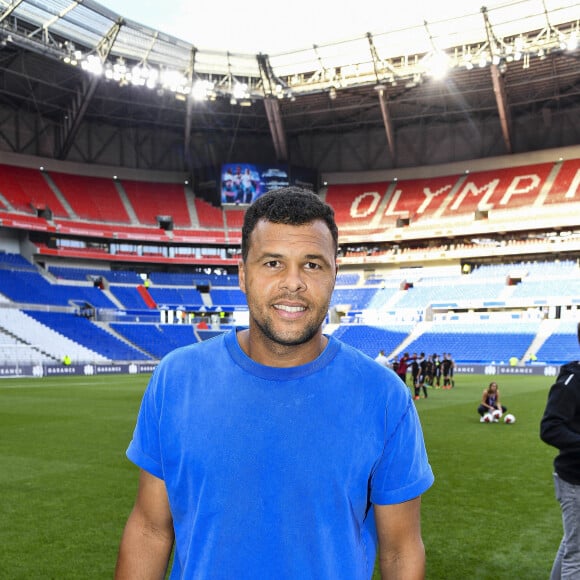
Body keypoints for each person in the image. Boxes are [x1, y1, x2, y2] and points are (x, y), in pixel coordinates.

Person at [115, 187, 434, 580]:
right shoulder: (176, 378)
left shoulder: (385, 397)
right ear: (243, 275)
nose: (293, 283)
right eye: (272, 263)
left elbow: (401, 551)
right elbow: (149, 528)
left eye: (313, 265)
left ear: (335, 275)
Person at [540, 322, 580, 579]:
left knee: (572, 543)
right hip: (574, 479)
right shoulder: (573, 378)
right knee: (577, 555)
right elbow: (550, 427)